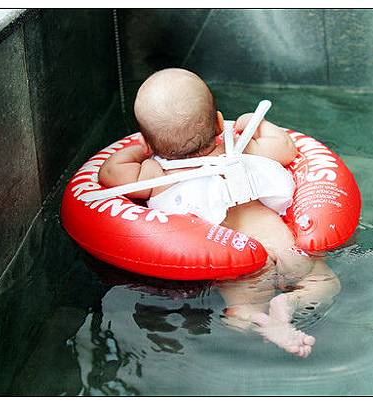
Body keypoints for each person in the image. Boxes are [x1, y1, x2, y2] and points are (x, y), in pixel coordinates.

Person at [99, 68, 341, 358]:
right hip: (282, 244)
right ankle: (290, 303)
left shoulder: (155, 173)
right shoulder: (238, 148)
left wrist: (140, 148)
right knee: (325, 283)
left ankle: (257, 318)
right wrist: (254, 123)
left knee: (241, 311)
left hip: (238, 264)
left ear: (149, 143)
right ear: (217, 122)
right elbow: (286, 148)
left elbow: (110, 173)